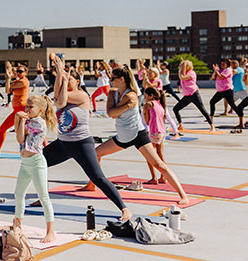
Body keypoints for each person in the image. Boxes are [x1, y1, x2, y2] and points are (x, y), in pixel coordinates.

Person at [80, 64, 190, 205]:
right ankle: (92, 184)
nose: (110, 80)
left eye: (113, 78)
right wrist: (126, 106)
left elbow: (113, 112)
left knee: (159, 165)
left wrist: (122, 107)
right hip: (122, 136)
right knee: (95, 154)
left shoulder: (131, 94)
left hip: (137, 135)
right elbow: (110, 113)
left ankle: (183, 195)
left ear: (121, 79)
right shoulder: (113, 93)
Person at [41, 54, 133, 220]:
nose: (65, 83)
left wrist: (63, 73)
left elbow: (60, 102)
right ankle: (42, 198)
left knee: (98, 177)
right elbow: (57, 95)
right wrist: (60, 75)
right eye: (64, 81)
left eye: (69, 80)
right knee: (37, 163)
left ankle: (124, 208)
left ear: (77, 81)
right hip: (63, 144)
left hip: (81, 144)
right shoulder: (63, 90)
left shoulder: (82, 96)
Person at [13, 94, 57, 243]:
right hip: (25, 164)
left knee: (43, 196)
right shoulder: (28, 120)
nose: (27, 109)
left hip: (37, 162)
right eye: (26, 106)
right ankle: (17, 224)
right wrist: (18, 118)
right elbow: (19, 138)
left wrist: (20, 118)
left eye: (31, 107)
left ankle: (50, 231)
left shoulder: (38, 122)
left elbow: (22, 133)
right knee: (18, 194)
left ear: (41, 110)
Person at [0, 64, 30, 155]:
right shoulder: (16, 81)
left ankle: (44, 147)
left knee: (30, 130)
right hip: (16, 111)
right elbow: (7, 91)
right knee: (3, 128)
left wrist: (9, 80)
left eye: (20, 72)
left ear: (26, 73)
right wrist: (8, 78)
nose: (18, 73)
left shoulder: (24, 82)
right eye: (17, 71)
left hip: (22, 109)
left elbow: (10, 88)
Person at [172, 60, 214, 131]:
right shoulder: (184, 73)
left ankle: (212, 126)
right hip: (187, 95)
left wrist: (183, 66)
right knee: (175, 109)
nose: (181, 67)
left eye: (183, 66)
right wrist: (181, 66)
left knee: (202, 109)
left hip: (194, 94)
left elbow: (182, 77)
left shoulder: (192, 73)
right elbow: (181, 76)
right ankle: (180, 125)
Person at [143, 87, 172, 183]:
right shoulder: (160, 104)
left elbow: (147, 122)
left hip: (154, 132)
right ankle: (163, 177)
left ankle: (154, 177)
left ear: (151, 96)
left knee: (149, 156)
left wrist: (144, 111)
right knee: (160, 154)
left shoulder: (148, 104)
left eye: (145, 96)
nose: (144, 98)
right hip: (162, 132)